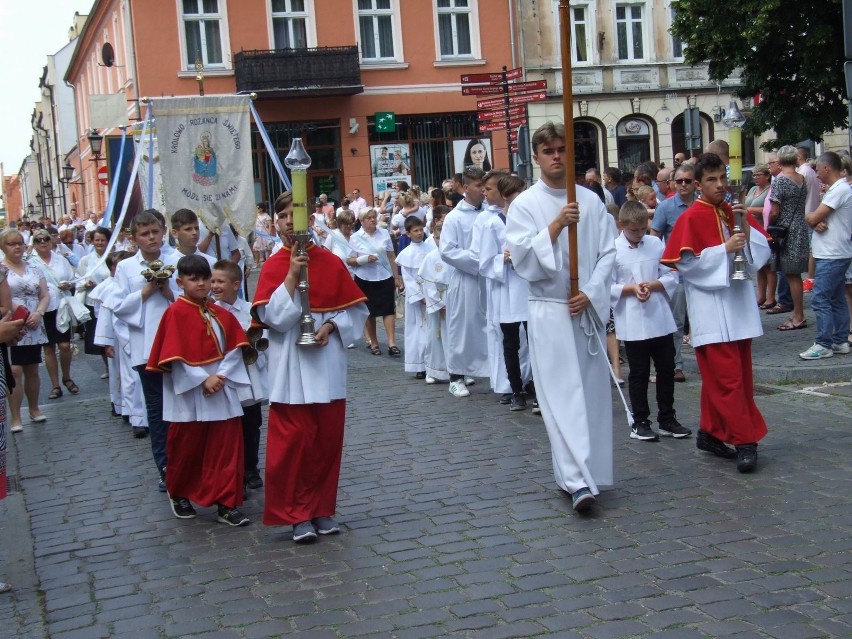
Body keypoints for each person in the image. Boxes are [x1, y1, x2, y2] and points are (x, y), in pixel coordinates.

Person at [505, 122, 616, 512]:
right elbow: (522, 259)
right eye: (548, 150)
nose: (556, 156)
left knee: (589, 395)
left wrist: (591, 292)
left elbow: (608, 253)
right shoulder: (525, 205)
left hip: (584, 308)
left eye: (561, 149)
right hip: (550, 310)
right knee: (561, 397)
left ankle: (592, 471)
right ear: (535, 157)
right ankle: (574, 481)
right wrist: (555, 226)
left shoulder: (590, 200)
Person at [251, 190, 368, 543]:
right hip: (289, 369)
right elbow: (273, 319)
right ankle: (296, 515)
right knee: (293, 446)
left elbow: (354, 312)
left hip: (327, 364)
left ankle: (321, 508)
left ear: (310, 220)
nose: (290, 222)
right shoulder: (273, 266)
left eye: (296, 214)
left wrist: (331, 327)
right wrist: (290, 277)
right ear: (276, 222)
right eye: (284, 215)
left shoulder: (331, 263)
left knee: (325, 443)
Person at [661, 152, 771, 473]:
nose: (720, 185)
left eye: (723, 178)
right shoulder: (690, 218)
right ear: (697, 184)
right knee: (728, 381)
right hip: (711, 310)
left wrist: (746, 236)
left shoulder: (732, 211)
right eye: (711, 180)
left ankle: (709, 433)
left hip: (738, 307)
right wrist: (724, 249)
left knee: (733, 379)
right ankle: (745, 440)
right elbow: (686, 265)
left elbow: (759, 255)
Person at [146, 255, 251, 526]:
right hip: (190, 392)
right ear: (180, 282)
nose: (202, 284)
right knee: (186, 448)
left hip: (221, 387)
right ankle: (179, 492)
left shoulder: (220, 312)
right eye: (194, 279)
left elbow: (235, 346)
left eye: (205, 278)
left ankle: (227, 503)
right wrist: (203, 379)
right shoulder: (175, 313)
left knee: (226, 448)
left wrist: (221, 376)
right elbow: (172, 356)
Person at [113, 211, 182, 485]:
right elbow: (119, 306)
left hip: (178, 344)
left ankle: (186, 462)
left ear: (163, 231)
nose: (151, 238)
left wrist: (168, 292)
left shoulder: (177, 261)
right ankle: (165, 467)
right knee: (156, 407)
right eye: (144, 234)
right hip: (147, 346)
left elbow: (196, 296)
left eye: (155, 232)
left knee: (183, 404)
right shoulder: (126, 268)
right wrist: (146, 291)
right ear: (134, 239)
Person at [612, 201, 689, 442]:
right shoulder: (613, 250)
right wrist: (631, 288)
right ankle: (640, 420)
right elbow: (606, 285)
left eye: (643, 229)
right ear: (621, 225)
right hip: (633, 318)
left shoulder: (655, 244)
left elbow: (671, 273)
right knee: (639, 372)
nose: (639, 235)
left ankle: (667, 418)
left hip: (659, 315)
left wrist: (653, 285)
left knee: (666, 368)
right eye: (634, 230)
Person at [211, 259, 268, 489]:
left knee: (251, 424)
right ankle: (231, 472)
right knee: (228, 428)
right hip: (224, 377)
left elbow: (264, 340)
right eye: (212, 280)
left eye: (220, 281)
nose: (214, 286)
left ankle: (250, 467)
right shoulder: (210, 312)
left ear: (236, 284)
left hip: (248, 377)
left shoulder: (249, 310)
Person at [483, 173, 534, 411]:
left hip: (529, 286)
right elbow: (483, 260)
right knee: (511, 343)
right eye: (517, 195)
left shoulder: (529, 220)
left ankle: (536, 384)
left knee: (535, 340)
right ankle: (516, 390)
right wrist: (500, 259)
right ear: (505, 197)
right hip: (508, 289)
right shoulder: (493, 223)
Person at [439, 167, 490, 397]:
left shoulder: (490, 212)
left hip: (490, 279)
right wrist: (479, 262)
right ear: (466, 187)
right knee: (462, 327)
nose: (483, 191)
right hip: (466, 277)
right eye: (480, 186)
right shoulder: (455, 217)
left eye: (485, 186)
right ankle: (456, 376)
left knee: (489, 327)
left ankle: (490, 370)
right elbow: (447, 251)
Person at [800, 151, 852, 359]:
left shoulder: (839, 190)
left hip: (833, 253)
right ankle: (839, 340)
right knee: (837, 298)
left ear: (827, 168)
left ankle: (824, 343)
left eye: (818, 169)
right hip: (834, 251)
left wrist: (812, 218)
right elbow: (817, 217)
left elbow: (814, 216)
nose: (816, 173)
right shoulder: (837, 189)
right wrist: (814, 219)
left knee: (820, 298)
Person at [651, 163, 698, 382]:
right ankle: (676, 365)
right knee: (677, 322)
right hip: (676, 271)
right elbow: (655, 238)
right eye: (679, 181)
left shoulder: (702, 205)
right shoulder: (666, 207)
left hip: (702, 272)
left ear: (695, 182)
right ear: (672, 183)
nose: (683, 185)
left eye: (687, 181)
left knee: (702, 320)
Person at [2, 230, 49, 432]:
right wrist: (18, 312)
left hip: (34, 322)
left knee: (32, 368)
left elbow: (45, 294)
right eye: (12, 244)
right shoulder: (2, 269)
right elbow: (3, 299)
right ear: (4, 246)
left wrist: (38, 313)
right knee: (14, 370)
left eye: (20, 243)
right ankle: (15, 416)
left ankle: (34, 408)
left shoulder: (35, 268)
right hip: (11, 323)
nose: (17, 247)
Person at [29, 228, 79, 400]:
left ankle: (67, 376)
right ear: (33, 244)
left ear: (51, 241)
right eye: (38, 240)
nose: (42, 242)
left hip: (61, 306)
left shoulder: (60, 260)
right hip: (42, 308)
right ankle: (55, 385)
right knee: (48, 348)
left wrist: (69, 285)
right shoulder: (30, 262)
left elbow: (73, 279)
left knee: (65, 345)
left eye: (46, 239)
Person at [349, 208, 402, 356]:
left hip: (384, 275)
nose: (373, 220)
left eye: (374, 217)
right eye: (369, 218)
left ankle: (392, 343)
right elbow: (350, 260)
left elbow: (391, 256)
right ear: (361, 221)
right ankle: (374, 343)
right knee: (369, 312)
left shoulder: (384, 233)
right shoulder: (355, 237)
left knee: (388, 309)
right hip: (364, 278)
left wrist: (396, 277)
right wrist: (364, 259)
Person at [768, 145, 809, 332]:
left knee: (791, 275)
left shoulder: (780, 181)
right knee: (796, 275)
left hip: (786, 231)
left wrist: (770, 225)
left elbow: (775, 211)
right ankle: (798, 313)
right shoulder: (802, 178)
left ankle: (798, 315)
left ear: (781, 160)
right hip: (800, 227)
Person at [417, 219, 452, 384]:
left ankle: (458, 371)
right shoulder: (431, 257)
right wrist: (438, 303)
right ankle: (433, 369)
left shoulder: (454, 254)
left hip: (452, 299)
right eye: (437, 238)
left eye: (443, 238)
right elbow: (428, 282)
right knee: (435, 336)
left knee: (455, 337)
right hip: (437, 301)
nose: (440, 241)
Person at [395, 216, 431, 379]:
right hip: (416, 299)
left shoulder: (431, 249)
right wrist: (420, 296)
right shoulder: (406, 254)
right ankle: (419, 365)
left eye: (421, 229)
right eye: (415, 231)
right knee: (417, 329)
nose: (419, 233)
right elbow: (408, 278)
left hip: (432, 294)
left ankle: (434, 363)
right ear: (408, 233)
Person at [76, 227, 112, 379]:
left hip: (110, 301)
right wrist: (86, 283)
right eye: (97, 240)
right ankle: (108, 366)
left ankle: (116, 364)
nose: (99, 243)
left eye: (102, 240)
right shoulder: (86, 260)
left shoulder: (113, 257)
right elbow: (78, 278)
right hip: (93, 302)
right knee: (99, 336)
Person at [745, 164, 775, 309]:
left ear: (767, 176)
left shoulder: (771, 189)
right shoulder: (752, 189)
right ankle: (761, 295)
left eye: (758, 175)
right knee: (759, 265)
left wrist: (749, 209)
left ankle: (770, 297)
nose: (755, 178)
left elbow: (768, 209)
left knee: (768, 265)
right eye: (754, 175)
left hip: (765, 229)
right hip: (752, 231)